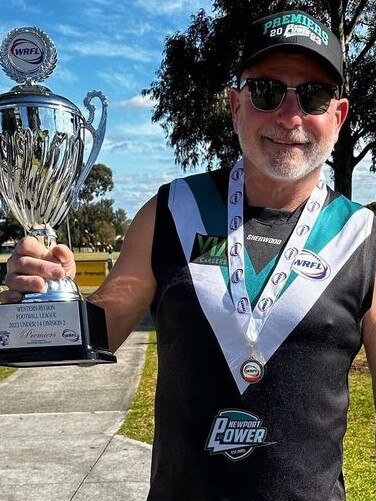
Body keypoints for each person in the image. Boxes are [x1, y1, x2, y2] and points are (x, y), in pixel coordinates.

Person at [2, 9, 375, 501]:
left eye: (313, 95)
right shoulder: (173, 209)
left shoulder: (361, 234)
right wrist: (48, 298)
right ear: (236, 105)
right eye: (266, 92)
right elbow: (110, 316)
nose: (290, 117)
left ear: (338, 114)